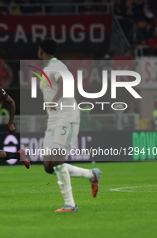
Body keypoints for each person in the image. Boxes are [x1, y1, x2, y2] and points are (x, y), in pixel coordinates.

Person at [37, 39, 101, 212]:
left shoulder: (57, 66)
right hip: (54, 118)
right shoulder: (47, 69)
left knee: (57, 161)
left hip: (66, 116)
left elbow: (65, 84)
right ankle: (91, 174)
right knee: (48, 166)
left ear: (41, 50)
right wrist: (49, 115)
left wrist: (55, 101)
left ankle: (70, 205)